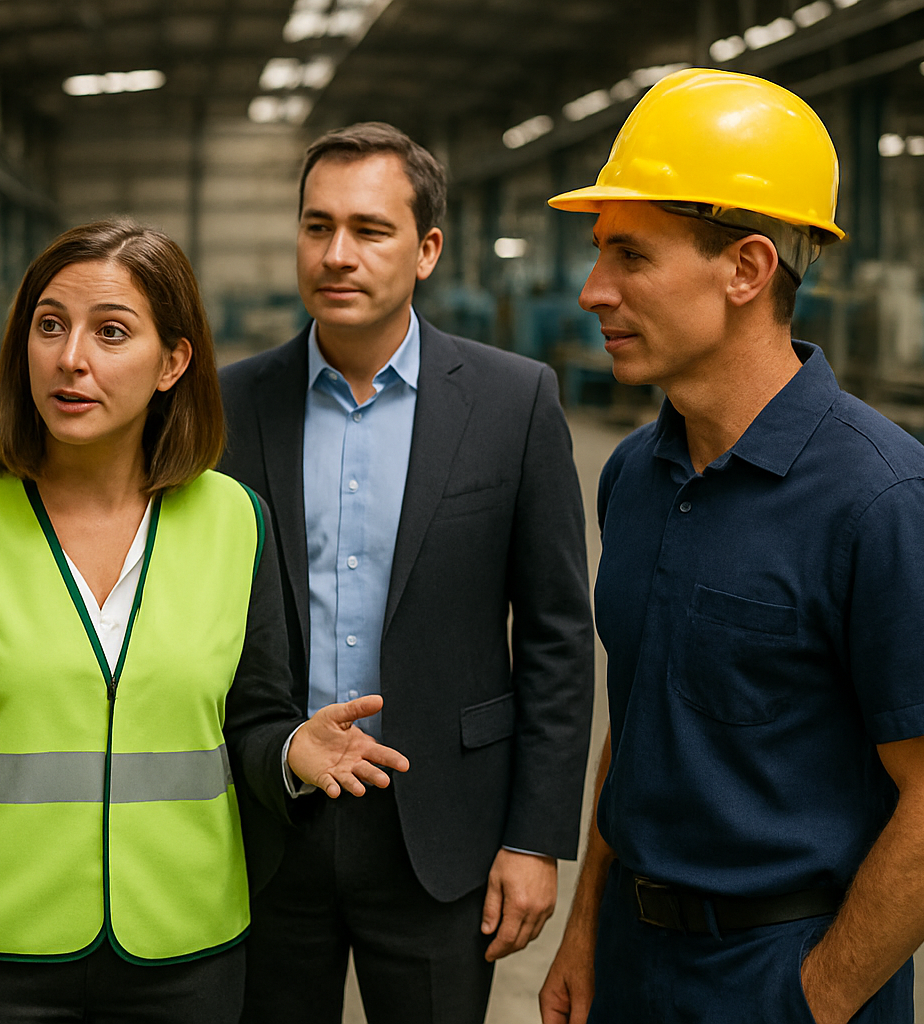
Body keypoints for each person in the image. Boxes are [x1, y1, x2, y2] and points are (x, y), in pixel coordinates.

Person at [0, 219, 408, 1024]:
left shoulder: (236, 520)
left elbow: (249, 719)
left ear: (173, 362)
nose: (72, 358)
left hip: (185, 956)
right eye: (50, 326)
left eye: (112, 332)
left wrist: (289, 749)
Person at [538, 68, 924, 1024]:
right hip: (632, 952)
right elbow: (642, 717)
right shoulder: (636, 474)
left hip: (781, 967)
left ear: (746, 269)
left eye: (631, 257)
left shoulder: (886, 502)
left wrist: (814, 1000)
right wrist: (586, 928)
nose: (592, 292)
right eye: (598, 256)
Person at [217, 122, 595, 1024]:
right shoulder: (228, 407)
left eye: (369, 230)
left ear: (426, 249)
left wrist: (535, 839)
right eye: (318, 227)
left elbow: (555, 637)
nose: (337, 254)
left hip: (442, 828)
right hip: (270, 818)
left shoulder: (512, 402)